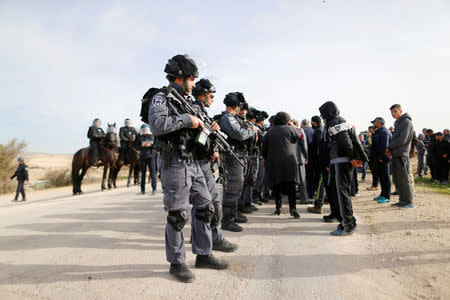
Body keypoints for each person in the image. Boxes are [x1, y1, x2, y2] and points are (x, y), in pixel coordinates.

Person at [148, 54, 228, 283]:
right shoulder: (161, 98)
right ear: (181, 78)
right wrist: (187, 119)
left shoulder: (188, 100)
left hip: (193, 162)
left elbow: (199, 126)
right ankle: (177, 262)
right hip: (174, 163)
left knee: (206, 206)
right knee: (178, 215)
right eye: (192, 79)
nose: (194, 84)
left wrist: (208, 127)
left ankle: (203, 254)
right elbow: (158, 124)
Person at [191, 78, 238, 252]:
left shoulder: (201, 111)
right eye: (210, 96)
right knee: (211, 202)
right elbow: (198, 139)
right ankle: (214, 239)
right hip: (199, 162)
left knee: (203, 203)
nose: (212, 99)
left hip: (203, 160)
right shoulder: (196, 110)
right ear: (202, 96)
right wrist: (210, 134)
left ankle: (202, 237)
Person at [319, 101, 368, 236]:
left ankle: (348, 225)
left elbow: (345, 141)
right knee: (341, 193)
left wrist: (352, 157)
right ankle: (348, 220)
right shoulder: (334, 122)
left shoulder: (336, 121)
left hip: (341, 162)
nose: (322, 116)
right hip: (338, 162)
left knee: (342, 194)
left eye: (323, 113)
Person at [219, 92, 257, 232]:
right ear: (236, 105)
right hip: (232, 157)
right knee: (232, 188)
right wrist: (251, 131)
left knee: (238, 187)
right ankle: (227, 221)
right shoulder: (227, 118)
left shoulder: (233, 118)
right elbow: (239, 134)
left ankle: (233, 215)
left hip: (238, 156)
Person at [262, 112, 301, 218]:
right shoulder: (292, 130)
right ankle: (293, 209)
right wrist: (293, 126)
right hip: (290, 162)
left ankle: (278, 208)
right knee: (291, 186)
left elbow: (264, 148)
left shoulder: (269, 132)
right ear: (287, 120)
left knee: (276, 185)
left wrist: (265, 159)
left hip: (274, 162)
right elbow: (301, 136)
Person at [385, 104, 415, 209]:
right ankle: (402, 200)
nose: (393, 114)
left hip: (402, 154)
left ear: (400, 111)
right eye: (392, 112)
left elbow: (402, 139)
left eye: (395, 111)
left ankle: (409, 202)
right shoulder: (397, 123)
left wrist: (389, 146)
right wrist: (390, 149)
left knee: (404, 179)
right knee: (398, 179)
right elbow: (394, 139)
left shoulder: (406, 122)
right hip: (396, 154)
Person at [370, 117, 392, 203]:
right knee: (382, 177)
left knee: (385, 177)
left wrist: (382, 158)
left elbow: (385, 147)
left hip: (383, 159)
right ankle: (382, 194)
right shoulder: (378, 132)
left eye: (374, 123)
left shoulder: (384, 132)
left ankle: (387, 196)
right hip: (378, 159)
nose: (373, 125)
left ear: (378, 123)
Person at [137, 124, 157, 195]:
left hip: (151, 156)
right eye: (143, 130)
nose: (144, 131)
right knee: (143, 174)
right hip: (142, 157)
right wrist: (141, 146)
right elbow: (137, 147)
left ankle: (154, 189)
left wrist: (150, 145)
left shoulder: (152, 136)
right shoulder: (140, 137)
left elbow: (156, 146)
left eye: (145, 130)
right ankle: (142, 190)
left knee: (153, 173)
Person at [295, 122, 309, 204]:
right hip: (299, 159)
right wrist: (306, 157)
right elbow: (304, 145)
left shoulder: (285, 130)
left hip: (287, 160)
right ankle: (304, 199)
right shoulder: (299, 131)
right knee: (302, 180)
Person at [301, 119, 315, 199]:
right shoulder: (313, 131)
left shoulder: (302, 131)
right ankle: (311, 193)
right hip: (313, 157)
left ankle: (307, 194)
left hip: (305, 157)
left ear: (303, 124)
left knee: (305, 176)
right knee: (311, 176)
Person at [366, 126, 379, 191]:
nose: (369, 131)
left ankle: (375, 185)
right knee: (373, 172)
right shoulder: (371, 137)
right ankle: (374, 185)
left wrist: (368, 137)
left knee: (375, 172)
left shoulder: (374, 136)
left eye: (370, 130)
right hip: (370, 156)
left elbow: (371, 145)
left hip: (375, 157)